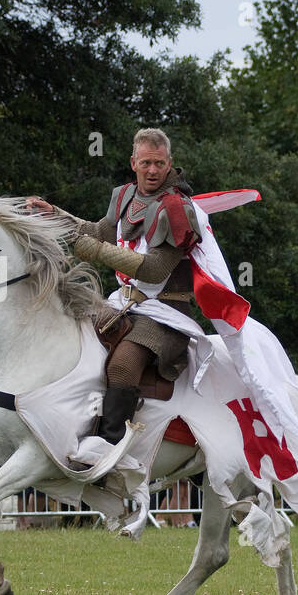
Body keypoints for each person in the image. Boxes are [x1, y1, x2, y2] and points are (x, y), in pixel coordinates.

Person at [30, 129, 212, 443]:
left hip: (164, 313)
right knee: (72, 342)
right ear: (133, 163)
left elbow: (155, 270)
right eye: (146, 163)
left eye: (158, 163)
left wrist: (90, 249)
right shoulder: (126, 196)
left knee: (123, 367)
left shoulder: (177, 209)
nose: (152, 170)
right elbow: (98, 230)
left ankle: (109, 450)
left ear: (169, 164)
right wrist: (55, 216)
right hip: (122, 304)